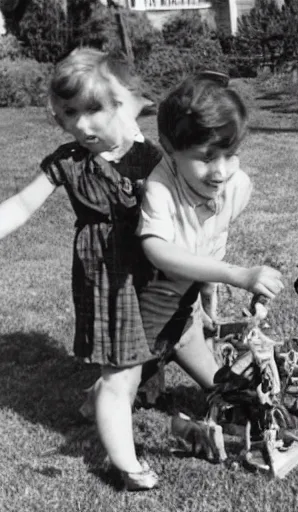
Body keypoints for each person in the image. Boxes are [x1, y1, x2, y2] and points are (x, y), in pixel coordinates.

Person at [0, 48, 172, 490]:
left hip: (153, 272)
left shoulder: (150, 158)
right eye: (70, 113)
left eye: (93, 109)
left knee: (147, 354)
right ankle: (126, 465)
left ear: (119, 105)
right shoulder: (68, 161)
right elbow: (21, 205)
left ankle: (93, 401)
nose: (81, 124)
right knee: (120, 371)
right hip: (107, 276)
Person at [133, 71, 284, 487]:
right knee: (118, 392)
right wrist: (238, 275)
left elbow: (211, 241)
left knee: (226, 388)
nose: (220, 171)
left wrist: (208, 306)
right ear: (169, 149)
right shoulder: (160, 190)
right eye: (206, 157)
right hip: (146, 318)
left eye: (230, 154)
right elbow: (158, 251)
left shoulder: (238, 186)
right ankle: (117, 386)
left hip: (183, 319)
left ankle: (159, 372)